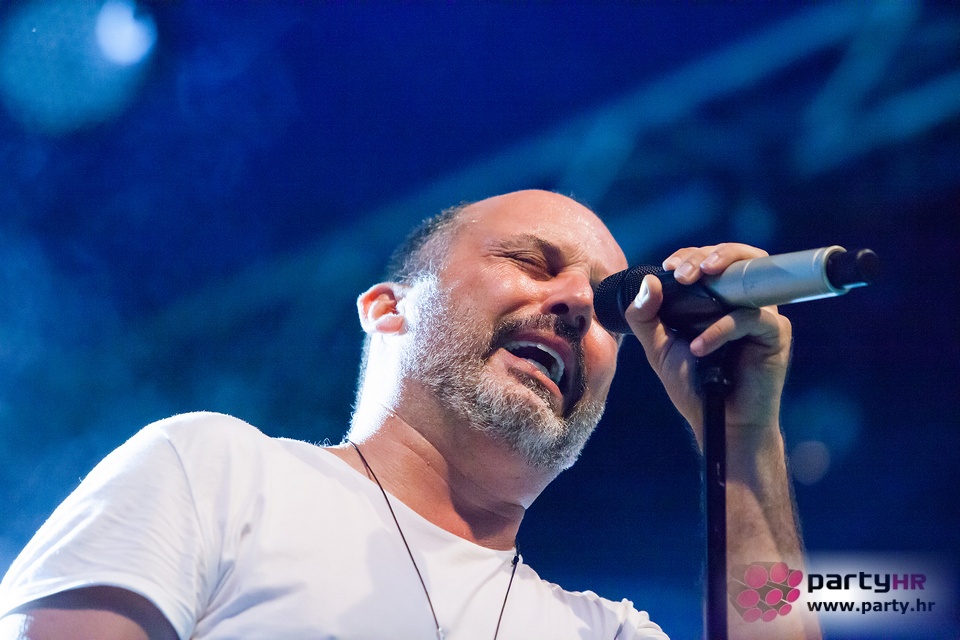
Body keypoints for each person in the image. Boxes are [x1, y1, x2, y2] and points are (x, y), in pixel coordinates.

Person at [0, 190, 820, 639]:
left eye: (608, 308)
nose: (578, 302)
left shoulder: (603, 632)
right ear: (390, 309)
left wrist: (745, 435)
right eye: (531, 262)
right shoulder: (216, 471)